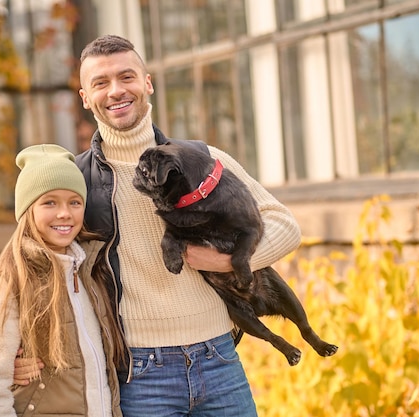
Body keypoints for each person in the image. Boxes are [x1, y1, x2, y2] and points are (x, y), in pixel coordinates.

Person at [15, 35, 302, 417]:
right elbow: (30, 264)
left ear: (147, 83)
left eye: (127, 77)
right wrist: (16, 350)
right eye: (100, 83)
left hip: (218, 359)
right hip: (139, 374)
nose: (116, 90)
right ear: (85, 98)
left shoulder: (203, 160)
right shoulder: (75, 181)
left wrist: (225, 260)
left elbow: (285, 225)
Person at [0, 144, 123, 417]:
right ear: (28, 210)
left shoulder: (90, 272)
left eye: (74, 202)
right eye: (50, 202)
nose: (64, 213)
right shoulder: (15, 281)